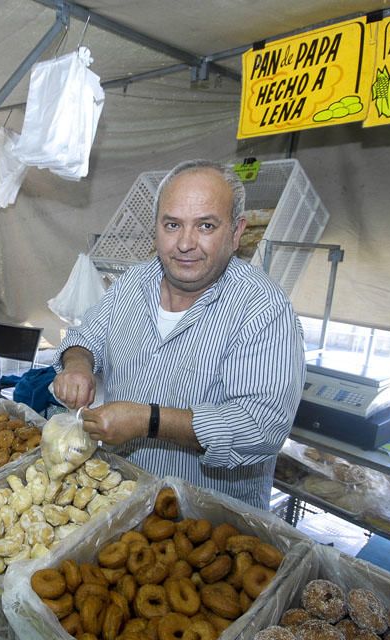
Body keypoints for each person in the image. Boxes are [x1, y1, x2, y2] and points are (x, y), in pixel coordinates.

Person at [52, 160, 306, 509]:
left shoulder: (263, 310)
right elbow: (86, 338)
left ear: (236, 232)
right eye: (172, 224)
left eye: (205, 225)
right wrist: (78, 365)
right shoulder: (133, 283)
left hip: (204, 523)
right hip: (119, 499)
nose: (185, 243)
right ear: (156, 229)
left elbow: (261, 427)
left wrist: (149, 421)